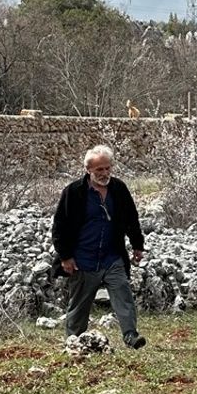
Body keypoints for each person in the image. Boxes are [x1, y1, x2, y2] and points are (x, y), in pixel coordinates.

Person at [52, 144, 147, 349]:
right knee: (79, 306)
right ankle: (74, 341)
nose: (104, 173)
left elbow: (131, 218)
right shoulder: (74, 192)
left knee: (123, 293)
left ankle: (130, 335)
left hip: (112, 257)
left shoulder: (118, 189)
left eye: (107, 168)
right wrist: (65, 256)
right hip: (83, 260)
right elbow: (60, 226)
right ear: (88, 170)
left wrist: (137, 245)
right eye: (99, 170)